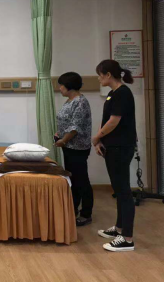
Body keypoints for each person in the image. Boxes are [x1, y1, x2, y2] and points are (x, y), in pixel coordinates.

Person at [92, 60, 137, 252]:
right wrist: (101, 141)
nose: (99, 78)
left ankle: (127, 238)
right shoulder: (113, 93)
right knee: (118, 189)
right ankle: (119, 228)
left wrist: (96, 137)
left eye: (100, 75)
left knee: (124, 191)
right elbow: (107, 120)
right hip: (113, 146)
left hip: (121, 147)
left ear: (108, 75)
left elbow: (113, 121)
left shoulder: (122, 93)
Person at [55, 72, 94, 226]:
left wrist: (63, 140)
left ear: (69, 86)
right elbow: (66, 121)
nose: (59, 88)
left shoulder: (80, 102)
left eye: (61, 85)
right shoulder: (69, 101)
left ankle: (86, 213)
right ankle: (73, 209)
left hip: (77, 147)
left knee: (81, 180)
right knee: (73, 179)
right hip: (68, 146)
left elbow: (75, 127)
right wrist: (59, 134)